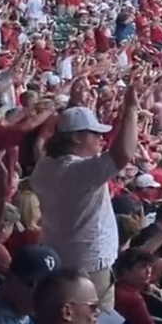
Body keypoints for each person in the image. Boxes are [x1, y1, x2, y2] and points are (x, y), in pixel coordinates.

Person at [33, 88, 142, 311]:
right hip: (90, 268)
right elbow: (123, 154)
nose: (101, 140)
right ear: (76, 137)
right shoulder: (77, 172)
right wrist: (130, 109)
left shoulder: (46, 166)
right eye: (96, 134)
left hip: (61, 258)